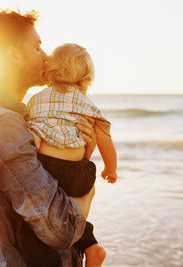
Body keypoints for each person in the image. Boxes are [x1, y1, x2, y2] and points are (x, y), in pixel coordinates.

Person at [0, 10, 97, 266]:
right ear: (13, 54)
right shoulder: (2, 124)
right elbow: (60, 229)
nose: (46, 57)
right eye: (37, 47)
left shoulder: (8, 116)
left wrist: (79, 155)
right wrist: (87, 192)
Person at [25, 43, 118, 267]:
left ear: (51, 72)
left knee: (57, 214)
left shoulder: (36, 99)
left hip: (44, 167)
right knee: (73, 210)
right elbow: (104, 138)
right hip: (79, 170)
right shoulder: (86, 103)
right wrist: (110, 169)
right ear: (85, 78)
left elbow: (29, 127)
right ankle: (91, 248)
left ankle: (89, 247)